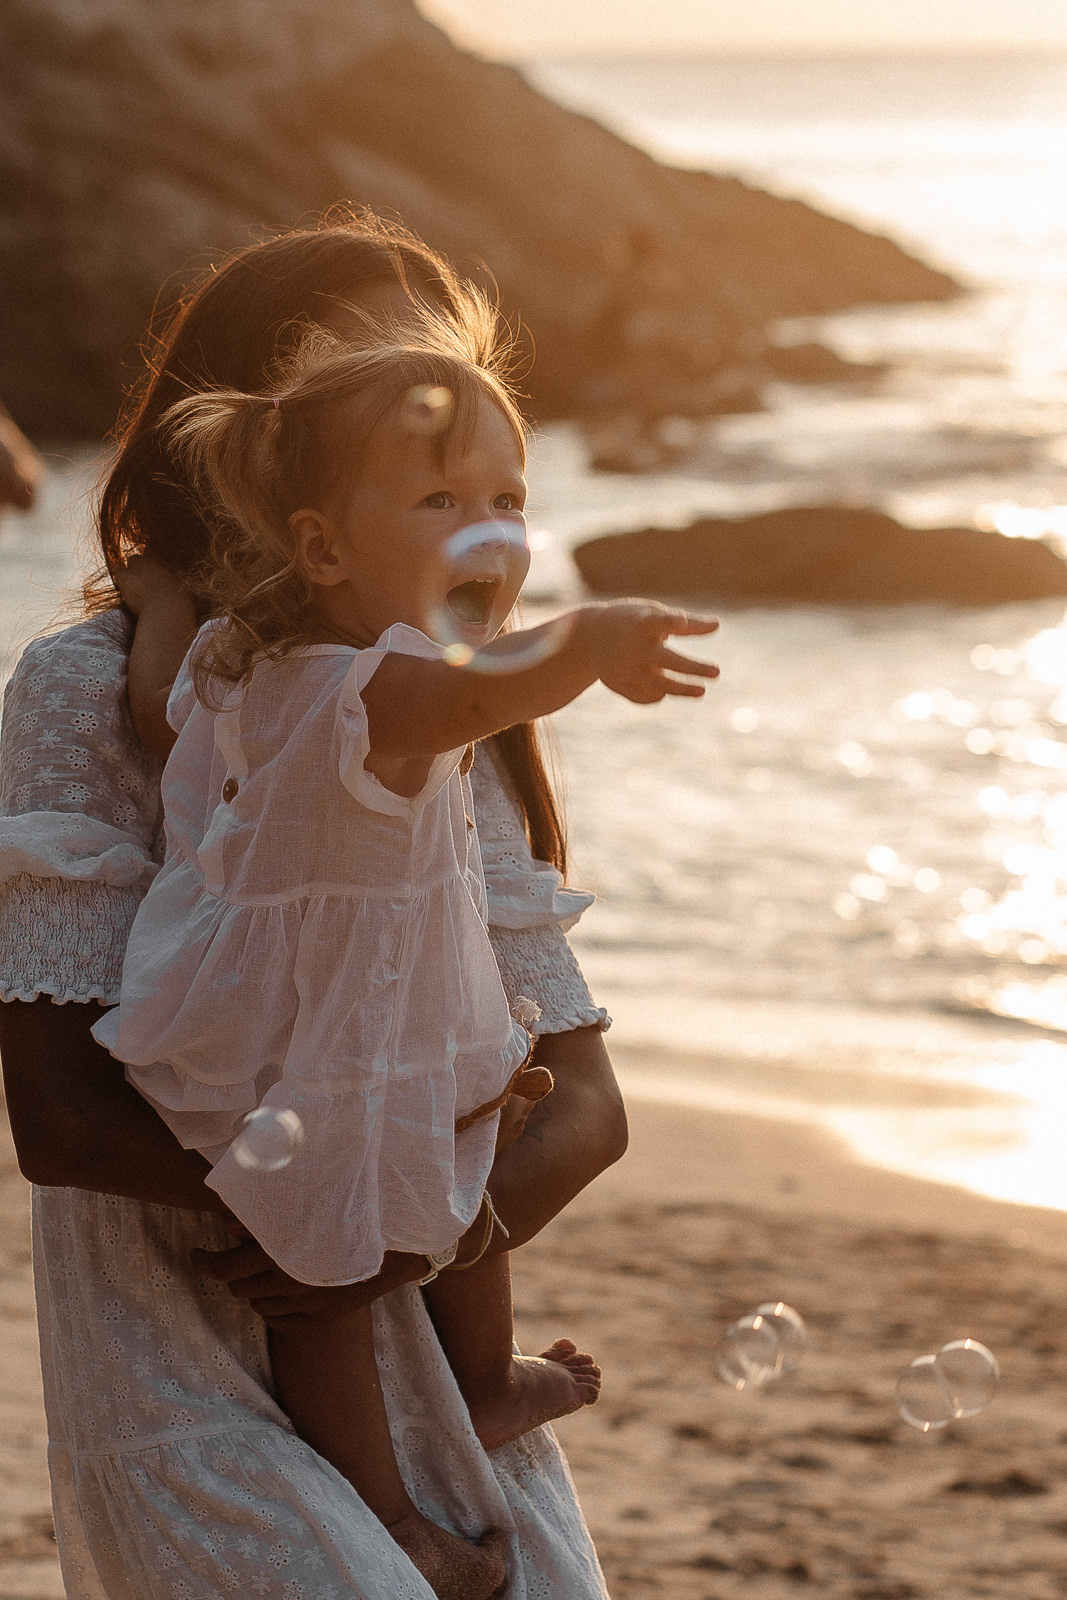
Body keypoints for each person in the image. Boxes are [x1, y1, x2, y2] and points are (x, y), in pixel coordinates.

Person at [0, 214, 629, 1600]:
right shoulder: (81, 686)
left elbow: (586, 1106)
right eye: (374, 376)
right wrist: (318, 1214)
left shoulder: (449, 711)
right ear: (265, 440)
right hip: (178, 1368)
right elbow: (57, 1119)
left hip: (433, 1376)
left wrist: (399, 1230)